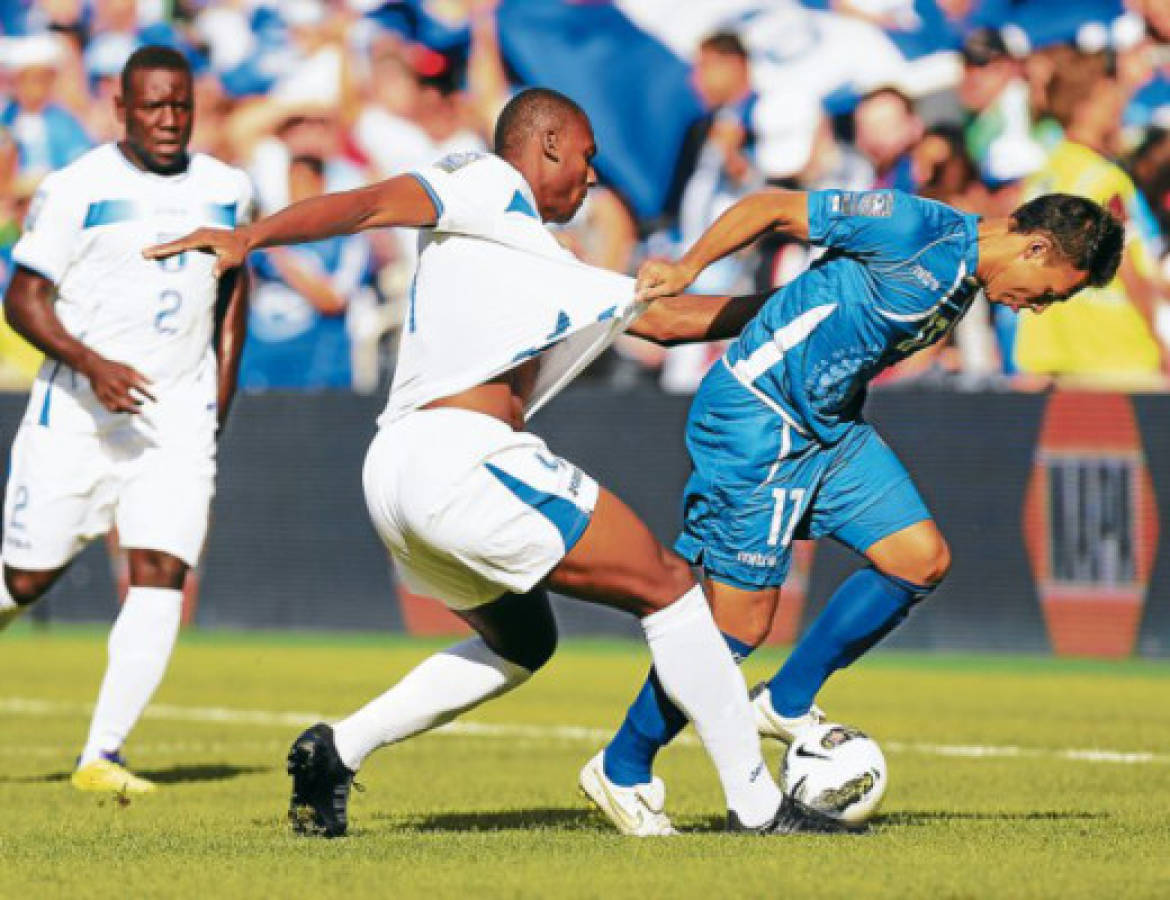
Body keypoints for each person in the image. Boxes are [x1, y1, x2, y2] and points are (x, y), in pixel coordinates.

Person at [146, 87, 827, 839]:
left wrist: (800, 303)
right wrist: (254, 237)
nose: (594, 178)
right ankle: (760, 808)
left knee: (526, 641)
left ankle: (338, 750)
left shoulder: (533, 252)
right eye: (589, 158)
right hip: (458, 460)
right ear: (549, 144)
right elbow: (373, 203)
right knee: (668, 587)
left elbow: (664, 321)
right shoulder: (485, 182)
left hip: (398, 473)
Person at [581, 186, 1123, 834]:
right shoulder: (911, 227)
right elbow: (773, 207)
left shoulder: (962, 281)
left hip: (832, 431)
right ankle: (623, 768)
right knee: (739, 626)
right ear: (1034, 246)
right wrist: (687, 268)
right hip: (759, 420)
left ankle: (785, 703)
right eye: (1050, 291)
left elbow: (818, 305)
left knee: (918, 559)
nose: (1040, 307)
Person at [0, 46, 253, 794]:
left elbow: (233, 295)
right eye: (153, 106)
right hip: (77, 413)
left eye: (180, 105)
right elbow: (22, 298)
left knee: (161, 571)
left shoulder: (228, 188)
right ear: (122, 108)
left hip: (174, 416)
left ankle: (101, 756)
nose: (169, 120)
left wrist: (214, 408)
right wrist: (93, 364)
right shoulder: (77, 187)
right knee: (26, 577)